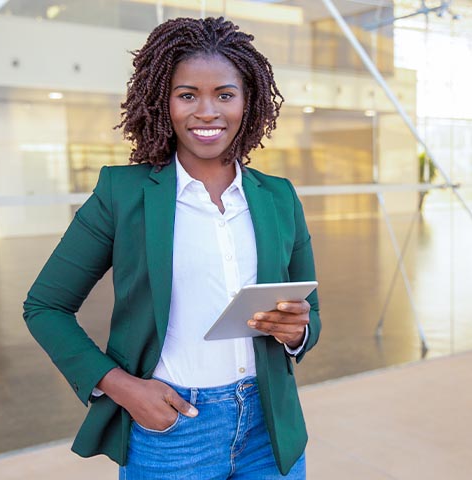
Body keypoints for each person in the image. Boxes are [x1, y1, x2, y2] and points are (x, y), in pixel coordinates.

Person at [23, 16, 320, 479]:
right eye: (187, 95)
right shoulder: (122, 194)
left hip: (269, 425)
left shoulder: (278, 197)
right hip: (173, 429)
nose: (207, 111)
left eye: (225, 94)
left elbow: (310, 316)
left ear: (249, 101)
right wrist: (122, 388)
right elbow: (45, 306)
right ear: (164, 102)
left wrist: (296, 332)